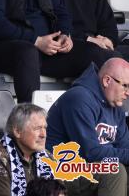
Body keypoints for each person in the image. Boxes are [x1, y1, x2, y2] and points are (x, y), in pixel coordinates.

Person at [46, 59, 129, 195]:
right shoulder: (79, 98)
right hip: (62, 169)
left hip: (90, 167)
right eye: (125, 86)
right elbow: (91, 153)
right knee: (115, 171)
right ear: (107, 81)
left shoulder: (115, 105)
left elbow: (125, 146)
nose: (128, 93)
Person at [0, 104, 54, 196]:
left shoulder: (47, 157)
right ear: (17, 131)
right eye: (37, 128)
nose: (43, 135)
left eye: (45, 128)